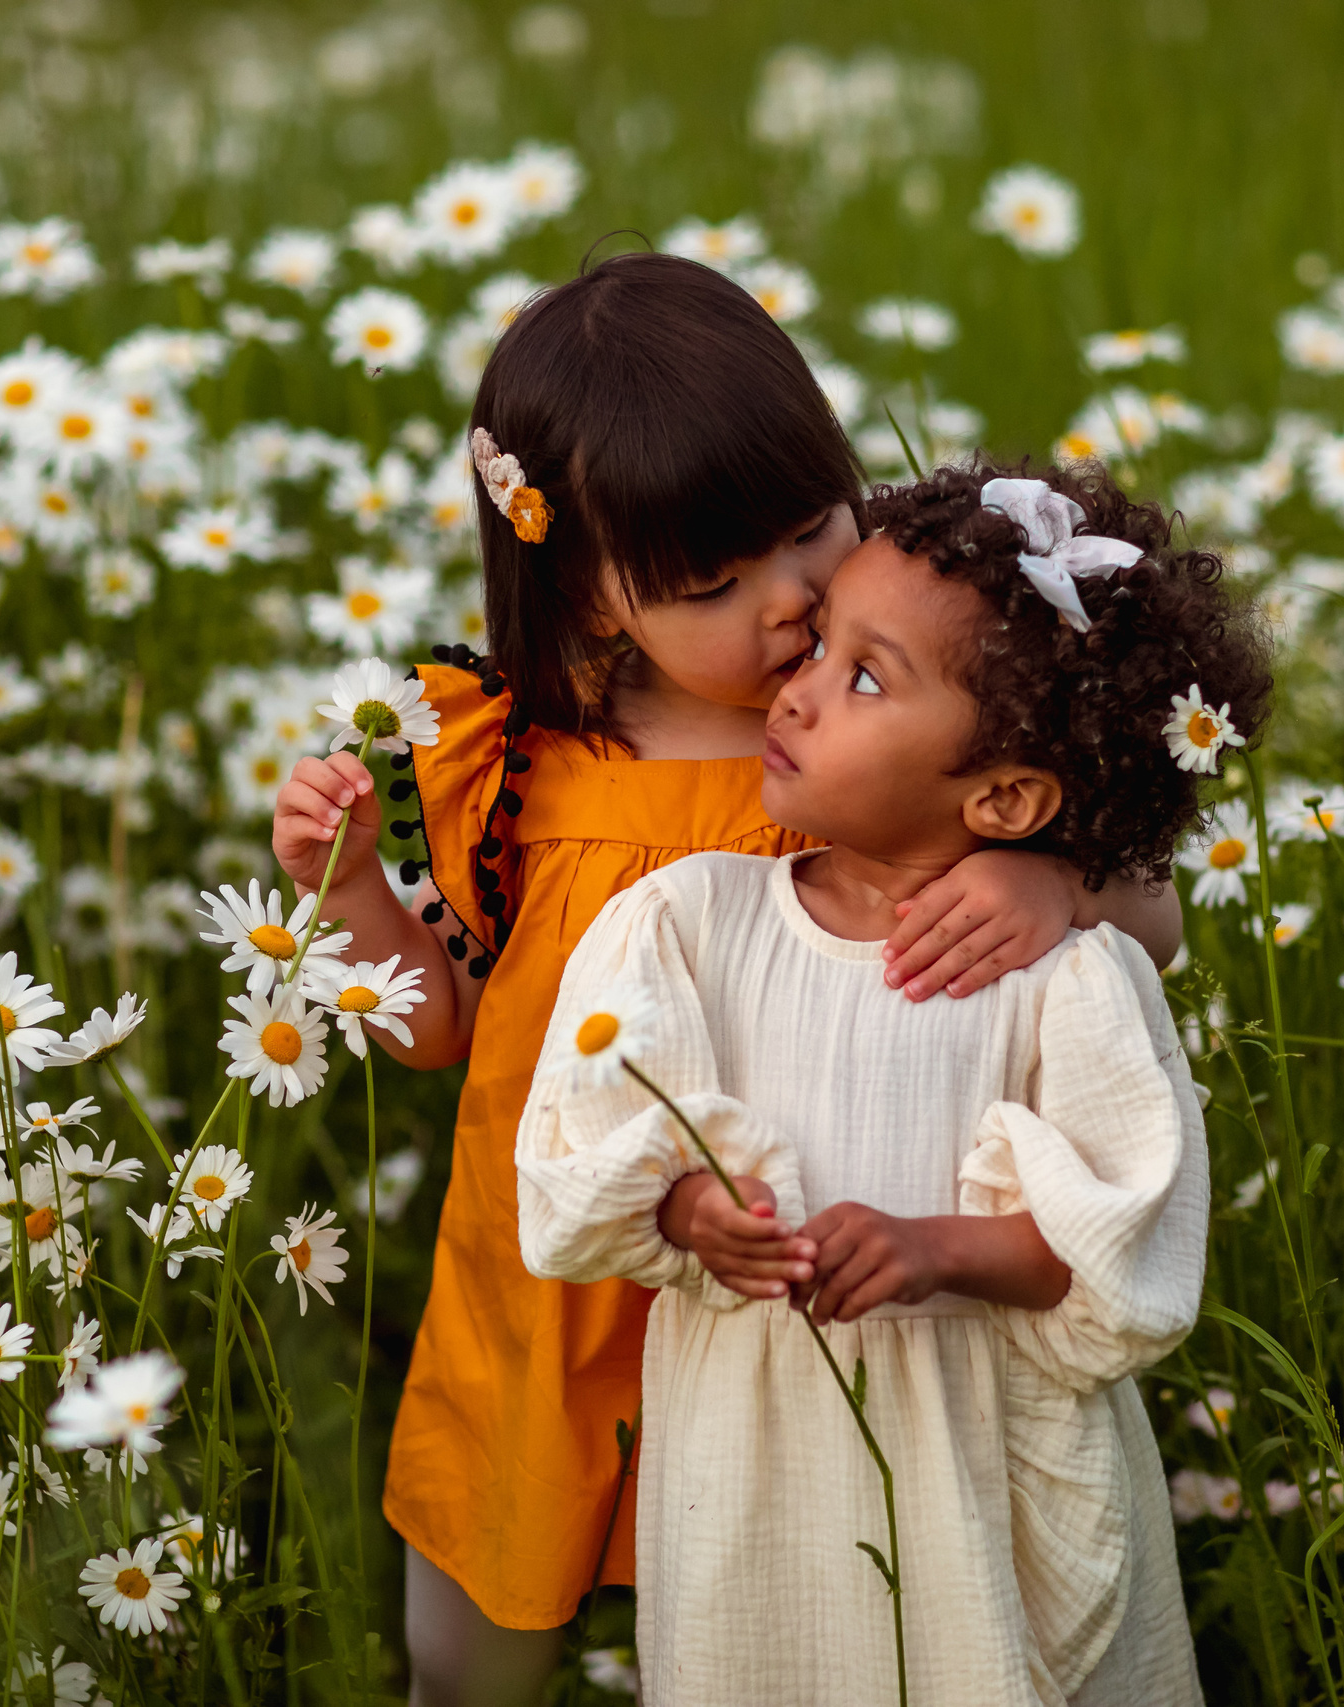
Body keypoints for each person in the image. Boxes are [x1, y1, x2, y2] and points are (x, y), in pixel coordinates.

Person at [270, 255, 1184, 1706]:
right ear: (583, 583)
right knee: (473, 1643)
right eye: (712, 581)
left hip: (815, 1282)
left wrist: (1054, 879)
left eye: (811, 529)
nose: (789, 603)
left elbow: (1154, 919)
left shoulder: (894, 728)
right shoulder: (501, 761)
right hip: (561, 1287)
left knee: (807, 1620)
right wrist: (358, 892)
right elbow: (437, 1025)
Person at [515, 460, 1270, 1705]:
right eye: (818, 649)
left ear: (1007, 796)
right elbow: (581, 1146)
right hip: (754, 1454)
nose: (797, 693)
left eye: (862, 676)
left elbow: (1114, 1253)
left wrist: (937, 1251)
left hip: (980, 1448)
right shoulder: (687, 925)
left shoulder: (1063, 972)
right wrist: (685, 1212)